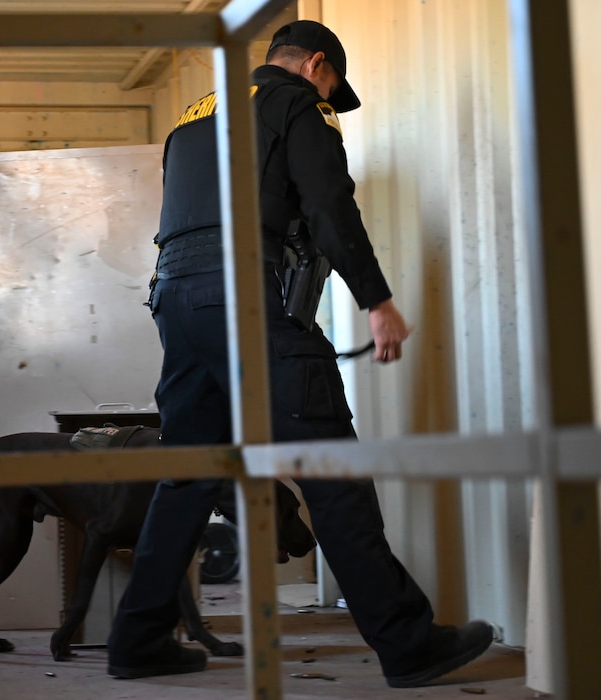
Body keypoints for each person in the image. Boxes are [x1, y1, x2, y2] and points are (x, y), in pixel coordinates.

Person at [105, 19, 493, 689]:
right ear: (316, 65)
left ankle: (136, 639)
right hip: (247, 302)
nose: (331, 100)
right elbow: (328, 206)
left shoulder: (192, 117)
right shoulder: (296, 105)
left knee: (189, 474)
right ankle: (409, 644)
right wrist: (377, 300)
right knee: (332, 470)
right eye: (333, 86)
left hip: (176, 303)